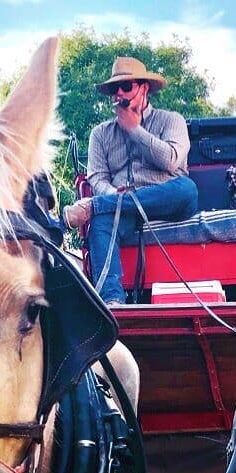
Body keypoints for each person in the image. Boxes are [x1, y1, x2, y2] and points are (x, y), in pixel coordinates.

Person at [63, 56, 198, 304]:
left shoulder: (171, 120)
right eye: (115, 88)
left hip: (165, 201)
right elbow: (97, 177)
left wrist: (134, 130)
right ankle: (111, 301)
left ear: (144, 88)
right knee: (102, 223)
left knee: (187, 189)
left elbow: (171, 161)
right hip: (122, 209)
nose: (120, 93)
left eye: (127, 87)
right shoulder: (100, 134)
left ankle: (93, 206)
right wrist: (114, 196)